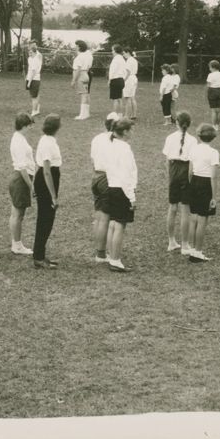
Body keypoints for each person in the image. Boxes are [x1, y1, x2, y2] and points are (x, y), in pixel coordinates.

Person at [103, 117, 137, 273]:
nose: (132, 132)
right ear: (124, 132)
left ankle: (112, 256)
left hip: (112, 187)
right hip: (121, 189)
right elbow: (126, 174)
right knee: (119, 225)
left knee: (113, 223)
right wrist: (131, 197)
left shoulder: (110, 145)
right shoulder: (124, 148)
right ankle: (115, 260)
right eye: (130, 130)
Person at [162, 111, 196, 254]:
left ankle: (171, 241)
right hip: (185, 170)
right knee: (185, 210)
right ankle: (185, 244)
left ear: (177, 123)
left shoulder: (170, 138)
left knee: (172, 207)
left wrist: (170, 176)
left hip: (174, 170)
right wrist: (190, 179)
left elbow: (166, 161)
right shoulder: (193, 140)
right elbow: (192, 163)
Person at [32, 114, 63, 269]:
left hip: (45, 178)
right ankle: (38, 256)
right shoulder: (48, 143)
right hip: (47, 179)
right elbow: (46, 171)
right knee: (45, 219)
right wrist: (53, 196)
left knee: (46, 219)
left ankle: (40, 254)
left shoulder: (47, 140)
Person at [186, 124, 220, 262]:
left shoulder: (193, 149)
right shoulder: (213, 153)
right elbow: (213, 177)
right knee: (202, 221)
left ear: (199, 136)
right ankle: (198, 252)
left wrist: (191, 184)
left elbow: (190, 171)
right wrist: (214, 197)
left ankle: (192, 249)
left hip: (194, 181)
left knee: (193, 218)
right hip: (206, 184)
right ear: (213, 138)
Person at [90, 112, 120, 263]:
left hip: (96, 176)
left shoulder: (96, 139)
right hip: (107, 178)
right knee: (106, 219)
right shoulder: (115, 141)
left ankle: (100, 251)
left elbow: (93, 160)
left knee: (99, 217)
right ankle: (101, 254)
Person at [7, 113, 36, 256]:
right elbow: (22, 167)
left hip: (20, 178)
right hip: (21, 179)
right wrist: (31, 186)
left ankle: (16, 243)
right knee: (18, 214)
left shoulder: (19, 138)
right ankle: (17, 245)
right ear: (24, 125)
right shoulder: (18, 141)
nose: (31, 127)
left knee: (17, 213)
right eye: (30, 125)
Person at [70, 40, 94, 121]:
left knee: (83, 95)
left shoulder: (79, 57)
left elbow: (78, 69)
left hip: (81, 76)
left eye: (76, 46)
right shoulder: (87, 55)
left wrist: (74, 80)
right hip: (86, 74)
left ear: (79, 47)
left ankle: (82, 115)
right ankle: (86, 114)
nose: (75, 47)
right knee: (86, 94)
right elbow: (87, 67)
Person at [25, 42, 43, 118]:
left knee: (34, 96)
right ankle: (37, 109)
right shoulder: (32, 58)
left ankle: (34, 111)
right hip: (32, 78)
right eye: (29, 52)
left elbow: (33, 71)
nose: (29, 53)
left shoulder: (36, 59)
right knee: (36, 95)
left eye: (31, 52)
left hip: (34, 79)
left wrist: (29, 82)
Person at [107, 45, 127, 115]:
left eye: (112, 50)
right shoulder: (122, 59)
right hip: (121, 80)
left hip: (115, 80)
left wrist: (109, 80)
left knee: (115, 99)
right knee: (119, 98)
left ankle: (114, 114)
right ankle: (120, 114)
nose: (112, 51)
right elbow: (125, 71)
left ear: (115, 51)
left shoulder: (115, 59)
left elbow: (112, 70)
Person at [205, 60, 220, 126]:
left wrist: (206, 93)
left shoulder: (211, 75)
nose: (209, 69)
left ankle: (213, 125)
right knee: (218, 110)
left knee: (213, 110)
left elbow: (208, 84)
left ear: (213, 67)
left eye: (209, 67)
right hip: (219, 91)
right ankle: (217, 125)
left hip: (212, 91)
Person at [122, 48, 139, 121]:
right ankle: (134, 115)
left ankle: (126, 115)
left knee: (127, 98)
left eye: (124, 53)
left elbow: (128, 72)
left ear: (128, 52)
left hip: (129, 79)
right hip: (134, 78)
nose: (123, 55)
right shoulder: (134, 60)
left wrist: (123, 80)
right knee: (132, 97)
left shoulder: (129, 60)